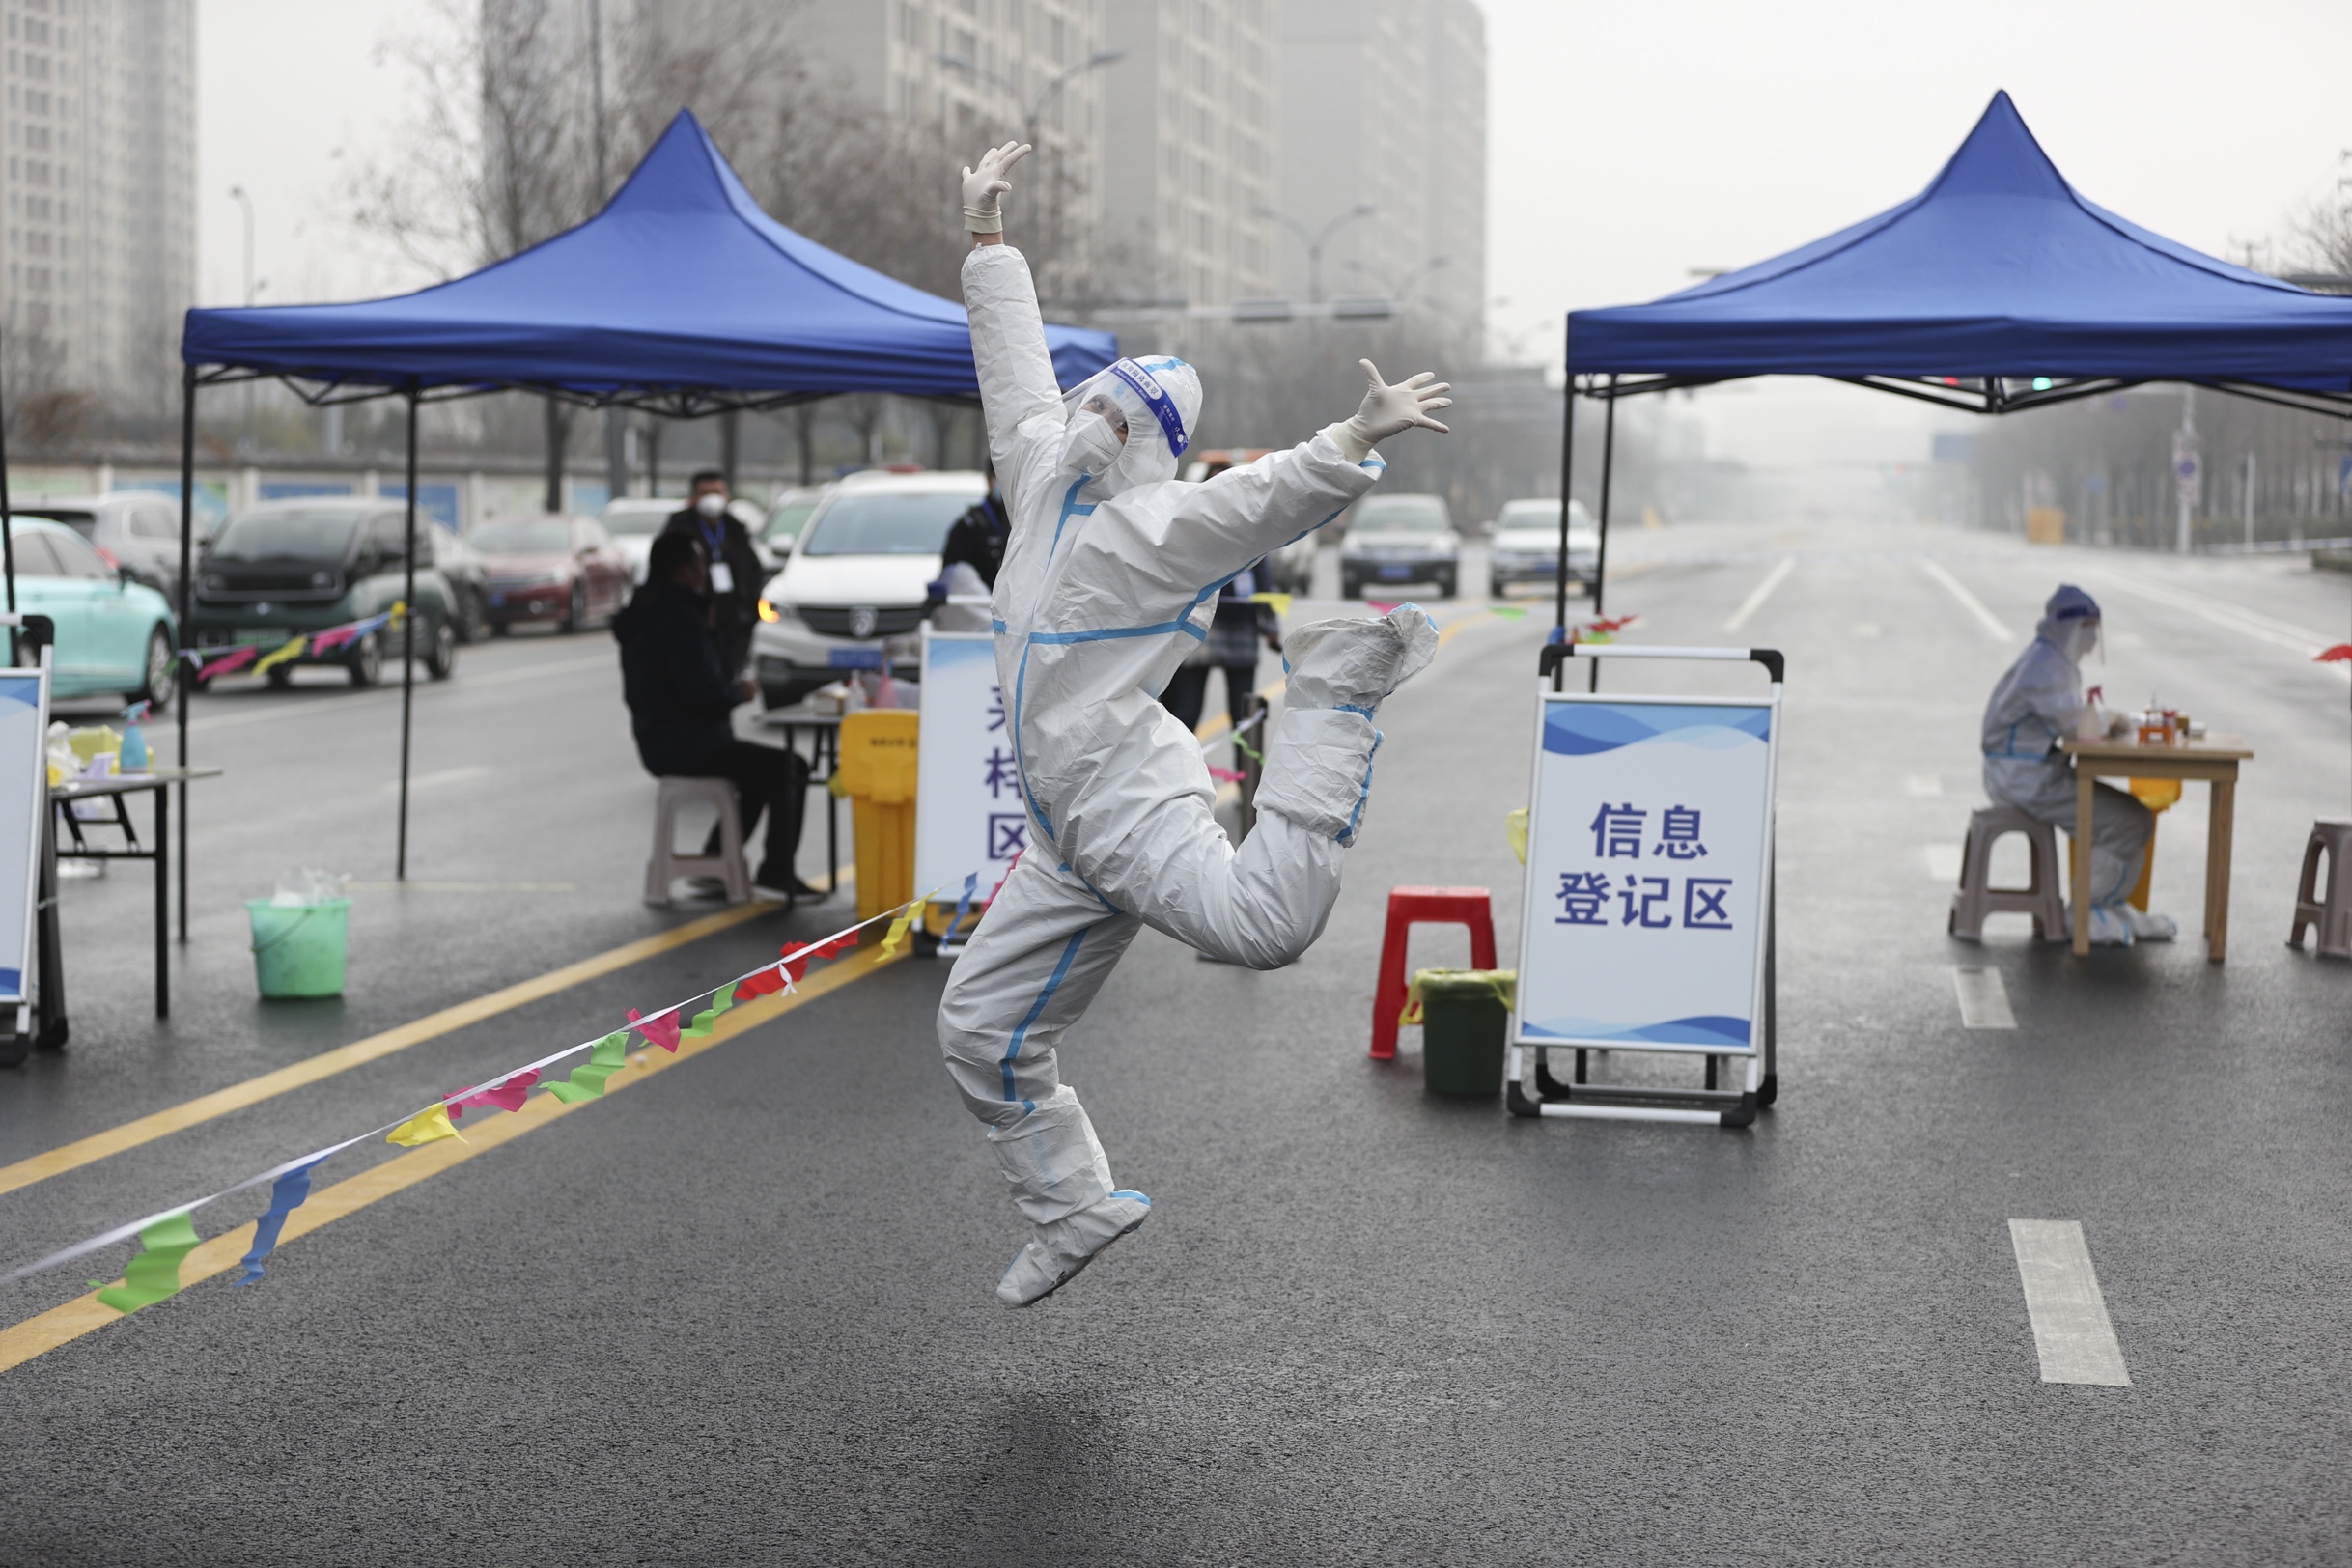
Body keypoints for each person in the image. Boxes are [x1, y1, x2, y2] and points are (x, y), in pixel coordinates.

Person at [940, 139, 1450, 1307]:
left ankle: (1331, 695)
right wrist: (988, 246)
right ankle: (1072, 1203)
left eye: (1123, 419)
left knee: (1262, 927)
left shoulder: (1153, 530)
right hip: (1062, 839)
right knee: (976, 1029)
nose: (1098, 423)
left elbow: (1253, 501)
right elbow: (1012, 374)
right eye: (1102, 401)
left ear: (1147, 449)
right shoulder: (1034, 474)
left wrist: (1352, 440)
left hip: (1126, 800)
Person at [614, 531, 815, 903]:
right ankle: (776, 872)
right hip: (688, 742)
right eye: (698, 562)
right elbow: (700, 691)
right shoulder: (679, 618)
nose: (703, 569)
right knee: (791, 767)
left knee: (761, 772)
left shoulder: (644, 610)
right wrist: (736, 693)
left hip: (658, 738)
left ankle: (714, 860)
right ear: (683, 570)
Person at [1980, 583, 2175, 946]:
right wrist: (2109, 719)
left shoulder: (2049, 660)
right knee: (2126, 821)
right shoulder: (2046, 667)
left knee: (2133, 818)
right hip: (2022, 777)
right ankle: (2087, 910)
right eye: (2088, 632)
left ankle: (2113, 905)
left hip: (2032, 770)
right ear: (2072, 628)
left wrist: (2103, 720)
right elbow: (2071, 725)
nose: (2091, 642)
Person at [658, 470, 766, 679]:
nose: (711, 498)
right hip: (692, 623)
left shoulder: (736, 529)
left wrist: (749, 611)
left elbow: (753, 570)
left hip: (732, 623)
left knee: (727, 681)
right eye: (705, 492)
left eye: (717, 492)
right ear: (693, 497)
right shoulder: (678, 530)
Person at [924, 463, 1011, 632]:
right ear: (988, 479)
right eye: (1000, 476)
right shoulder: (968, 526)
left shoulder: (1024, 519)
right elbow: (955, 579)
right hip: (976, 628)